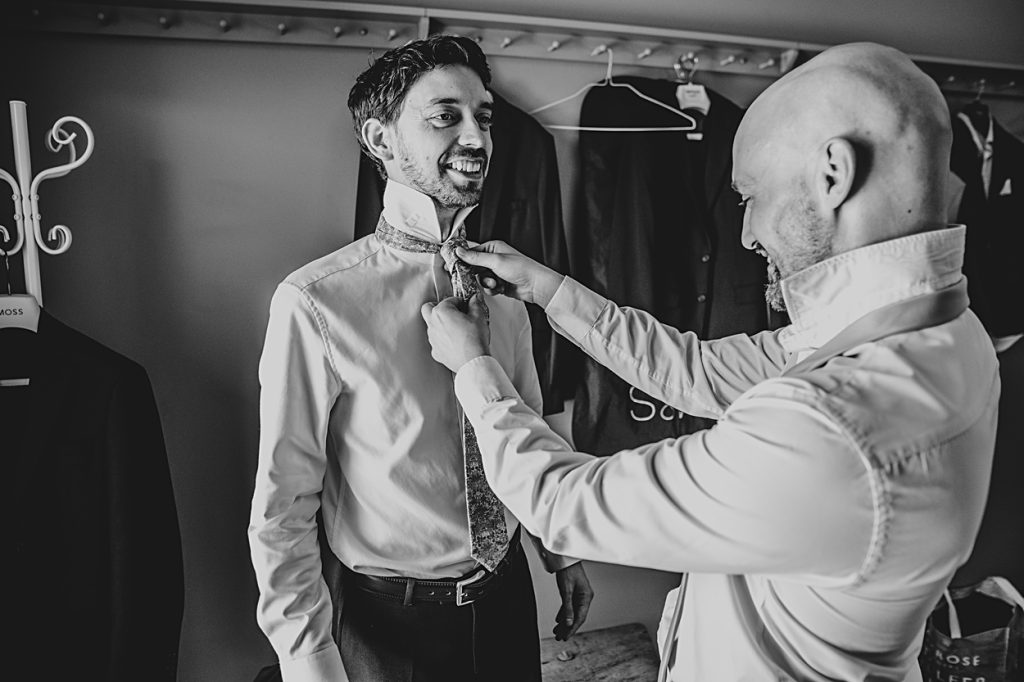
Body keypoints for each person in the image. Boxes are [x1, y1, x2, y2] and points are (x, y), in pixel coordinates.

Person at [421, 42, 1000, 681]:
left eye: (750, 194)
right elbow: (699, 371)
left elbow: (565, 505)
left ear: (833, 174)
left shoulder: (832, 426)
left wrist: (474, 366)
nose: (747, 234)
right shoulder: (942, 332)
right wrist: (548, 289)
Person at [249, 35, 592, 682]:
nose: (478, 137)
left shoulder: (506, 284)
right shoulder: (317, 302)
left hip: (506, 598)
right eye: (446, 116)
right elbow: (283, 502)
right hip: (388, 627)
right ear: (381, 140)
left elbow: (527, 425)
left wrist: (561, 553)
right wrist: (308, 662)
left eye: (484, 117)